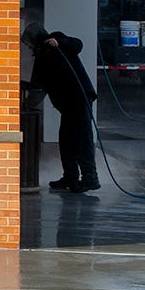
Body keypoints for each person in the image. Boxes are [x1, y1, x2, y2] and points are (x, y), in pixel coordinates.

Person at [24, 26, 100, 192]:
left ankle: (90, 178)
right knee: (66, 141)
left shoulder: (56, 41)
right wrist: (26, 103)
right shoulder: (41, 56)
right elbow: (38, 85)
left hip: (79, 98)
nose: (28, 47)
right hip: (67, 104)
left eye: (28, 43)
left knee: (82, 138)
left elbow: (77, 44)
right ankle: (70, 177)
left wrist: (60, 42)